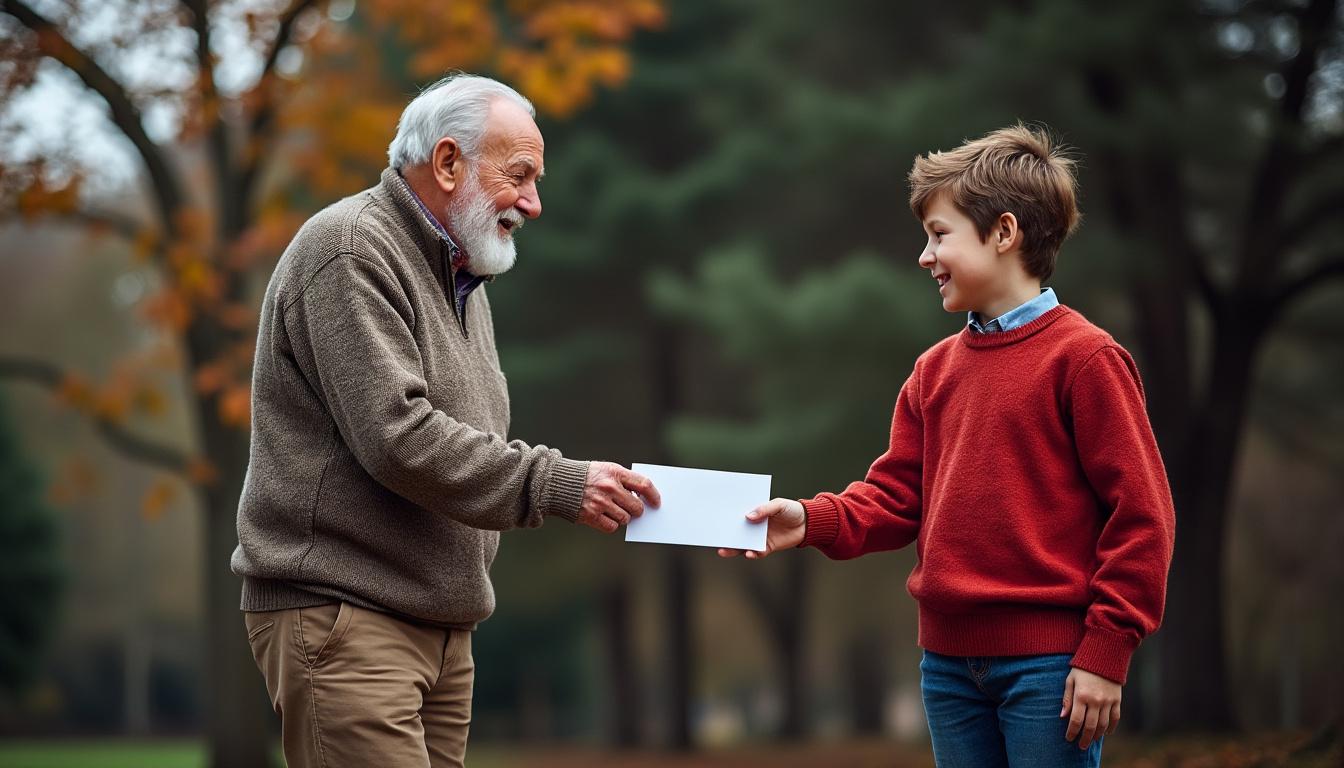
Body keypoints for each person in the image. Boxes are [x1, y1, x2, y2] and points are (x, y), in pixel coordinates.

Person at [230, 73, 660, 768]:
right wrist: (554, 483)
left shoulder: (463, 278)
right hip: (347, 615)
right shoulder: (350, 250)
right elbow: (398, 437)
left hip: (438, 626)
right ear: (449, 161)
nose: (534, 202)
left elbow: (459, 438)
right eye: (519, 175)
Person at [720, 124, 1175, 767]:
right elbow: (897, 498)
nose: (925, 256)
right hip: (947, 670)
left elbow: (1143, 517)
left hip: (1051, 667)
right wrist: (810, 518)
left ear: (1004, 233)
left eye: (939, 235)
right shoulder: (933, 371)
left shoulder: (1086, 359)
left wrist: (1107, 651)